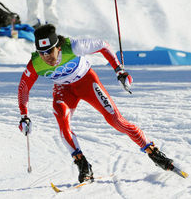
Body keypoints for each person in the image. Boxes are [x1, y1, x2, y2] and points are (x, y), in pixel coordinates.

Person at [18, 24, 173, 183]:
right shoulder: (36, 63)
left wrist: (119, 70)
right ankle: (83, 164)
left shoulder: (73, 46)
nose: (46, 57)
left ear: (58, 46)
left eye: (49, 51)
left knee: (116, 121)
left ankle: (152, 151)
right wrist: (24, 116)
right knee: (63, 123)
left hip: (87, 82)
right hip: (64, 90)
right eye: (41, 53)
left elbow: (103, 46)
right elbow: (24, 87)